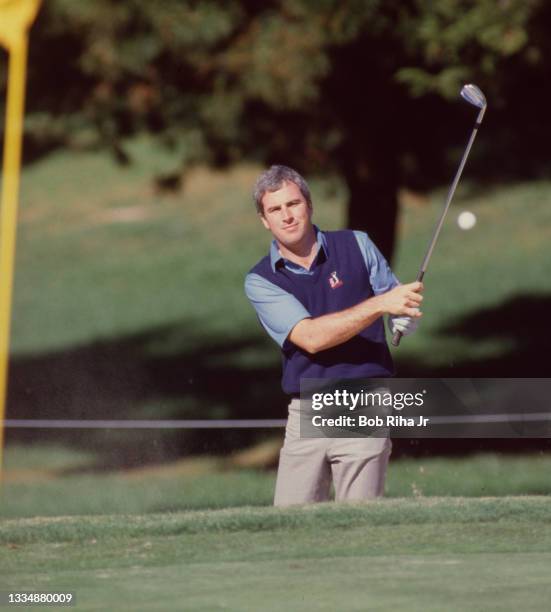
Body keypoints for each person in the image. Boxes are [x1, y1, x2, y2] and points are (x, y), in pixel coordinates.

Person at [244, 165, 423, 506]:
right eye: (275, 209)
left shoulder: (357, 244)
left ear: (309, 205)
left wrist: (402, 317)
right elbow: (311, 337)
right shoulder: (262, 280)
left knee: (359, 524)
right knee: (290, 523)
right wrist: (380, 305)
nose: (287, 216)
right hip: (306, 409)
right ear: (264, 220)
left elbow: (394, 300)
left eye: (293, 204)